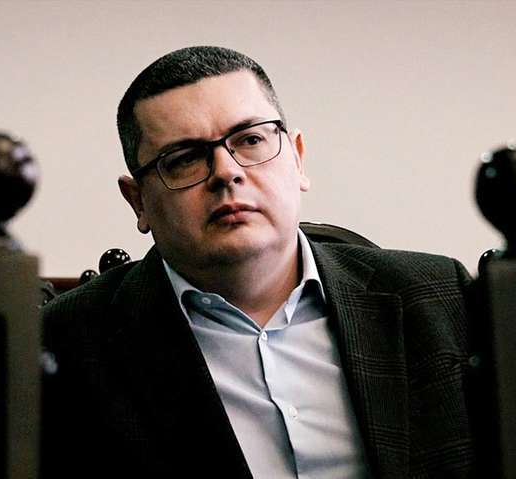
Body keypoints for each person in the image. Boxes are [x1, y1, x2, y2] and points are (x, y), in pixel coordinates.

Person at [42, 46, 475, 478]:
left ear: (298, 158)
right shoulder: (67, 345)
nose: (226, 172)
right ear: (138, 201)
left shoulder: (439, 296)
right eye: (184, 158)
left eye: (250, 140)